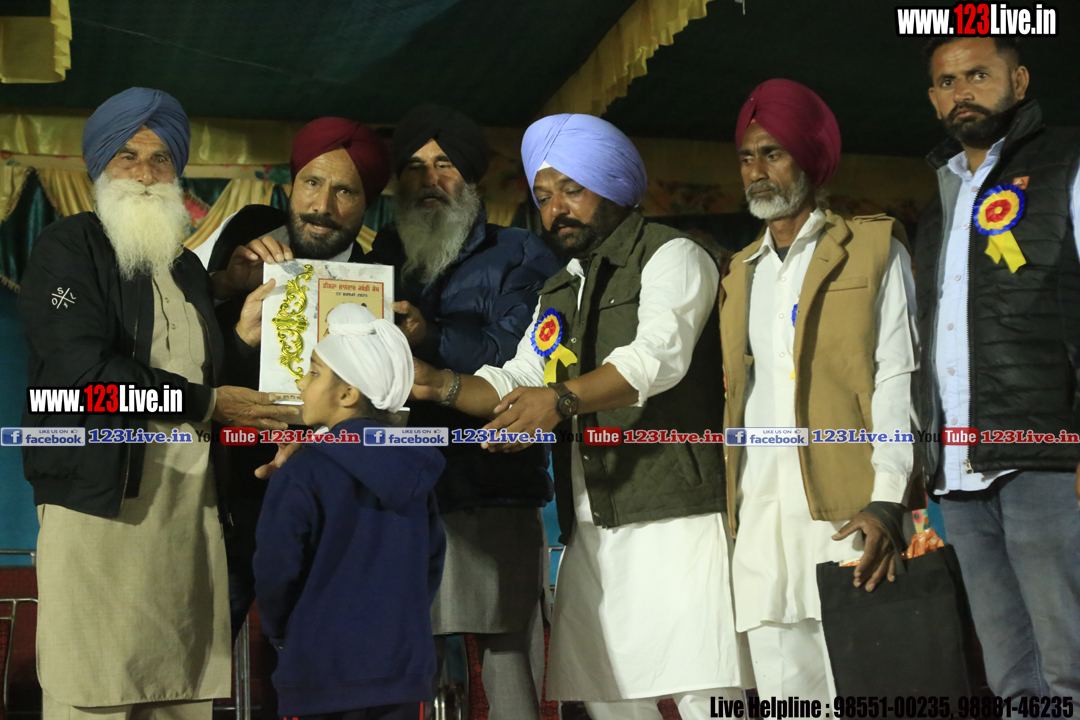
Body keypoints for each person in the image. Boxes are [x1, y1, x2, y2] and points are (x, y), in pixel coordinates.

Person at [411, 113, 748, 720]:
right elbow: (518, 377)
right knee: (608, 697)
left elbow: (656, 360)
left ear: (613, 186)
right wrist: (438, 384)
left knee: (704, 690)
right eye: (544, 197)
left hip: (676, 514)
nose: (556, 210)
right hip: (593, 517)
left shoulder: (672, 254)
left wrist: (559, 400)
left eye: (573, 190)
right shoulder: (561, 286)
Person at [18, 87, 297, 720]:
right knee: (94, 690)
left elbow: (191, 355)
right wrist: (209, 402)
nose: (145, 174)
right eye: (127, 156)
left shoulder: (184, 267)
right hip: (100, 507)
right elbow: (84, 377)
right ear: (99, 166)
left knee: (177, 694)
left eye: (160, 158)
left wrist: (230, 296)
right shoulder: (68, 249)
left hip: (188, 511)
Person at [719, 78, 919, 701]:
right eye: (747, 157)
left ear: (808, 157)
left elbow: (896, 378)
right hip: (759, 524)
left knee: (865, 691)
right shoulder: (739, 273)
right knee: (785, 699)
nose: (757, 172)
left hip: (848, 514)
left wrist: (887, 500)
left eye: (773, 153)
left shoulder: (873, 248)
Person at [364, 104, 561, 720]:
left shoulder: (521, 253)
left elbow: (520, 359)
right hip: (396, 496)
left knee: (506, 659)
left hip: (489, 486)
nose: (429, 180)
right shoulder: (375, 262)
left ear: (473, 178)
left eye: (445, 164)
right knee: (401, 663)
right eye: (414, 168)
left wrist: (430, 335)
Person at [916, 36, 1080, 698]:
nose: (963, 92)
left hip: (1050, 461)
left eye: (979, 74)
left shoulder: (1067, 163)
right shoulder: (938, 203)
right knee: (1011, 679)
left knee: (1069, 667)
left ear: (1020, 80)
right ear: (934, 100)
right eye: (947, 82)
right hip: (960, 472)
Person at [203, 117, 393, 638]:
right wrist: (240, 334)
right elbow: (196, 377)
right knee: (199, 660)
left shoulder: (381, 287)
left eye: (344, 191)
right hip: (235, 509)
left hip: (335, 514)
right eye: (312, 182)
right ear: (292, 186)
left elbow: (388, 412)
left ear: (367, 203)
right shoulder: (246, 257)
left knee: (322, 663)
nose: (321, 205)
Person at [254, 303, 446, 720]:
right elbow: (430, 565)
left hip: (319, 671)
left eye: (314, 372)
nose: (301, 382)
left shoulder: (302, 470)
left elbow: (275, 568)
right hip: (402, 669)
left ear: (347, 394)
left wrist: (284, 633)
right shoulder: (417, 470)